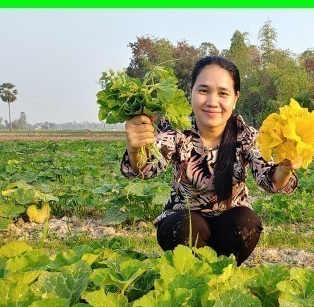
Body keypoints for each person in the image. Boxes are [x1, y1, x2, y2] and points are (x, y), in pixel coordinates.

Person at [121, 56, 301, 266]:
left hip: (230, 227)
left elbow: (270, 180)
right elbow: (147, 167)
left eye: (223, 93)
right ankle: (188, 275)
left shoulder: (247, 136)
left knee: (246, 220)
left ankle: (223, 273)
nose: (212, 102)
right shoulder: (176, 132)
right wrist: (135, 150)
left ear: (235, 98)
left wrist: (286, 167)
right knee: (189, 225)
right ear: (191, 92)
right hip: (184, 225)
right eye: (204, 91)